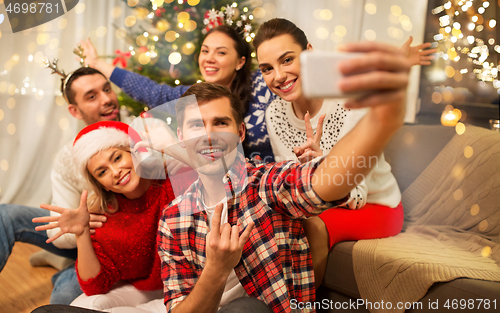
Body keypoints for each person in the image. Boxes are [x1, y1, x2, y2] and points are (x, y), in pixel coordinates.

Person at [149, 40, 410, 312]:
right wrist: (216, 268)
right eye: (196, 125)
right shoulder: (174, 218)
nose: (209, 136)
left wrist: (383, 118)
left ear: (240, 133)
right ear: (181, 137)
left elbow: (323, 181)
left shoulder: (264, 184)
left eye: (220, 123)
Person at [252, 17, 427, 287]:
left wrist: (320, 166)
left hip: (376, 206)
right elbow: (288, 187)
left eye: (287, 60)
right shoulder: (274, 113)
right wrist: (304, 176)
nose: (278, 76)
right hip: (315, 203)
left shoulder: (348, 99)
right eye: (267, 68)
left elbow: (357, 194)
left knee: (311, 226)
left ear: (309, 53)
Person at [33, 121, 195, 312]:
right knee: (81, 305)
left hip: (193, 283)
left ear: (134, 151)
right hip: (150, 290)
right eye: (102, 172)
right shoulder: (105, 215)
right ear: (102, 185)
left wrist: (172, 149)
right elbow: (95, 286)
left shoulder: (174, 179)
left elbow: (218, 176)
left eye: (117, 158)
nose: (115, 172)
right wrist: (82, 233)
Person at [0, 66, 124, 304]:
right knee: (6, 214)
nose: (107, 99)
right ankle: (65, 258)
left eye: (107, 89)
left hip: (118, 248)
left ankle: (65, 265)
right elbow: (60, 233)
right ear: (74, 111)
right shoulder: (68, 158)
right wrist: (83, 223)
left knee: (63, 298)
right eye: (92, 96)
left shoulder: (141, 136)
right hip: (85, 239)